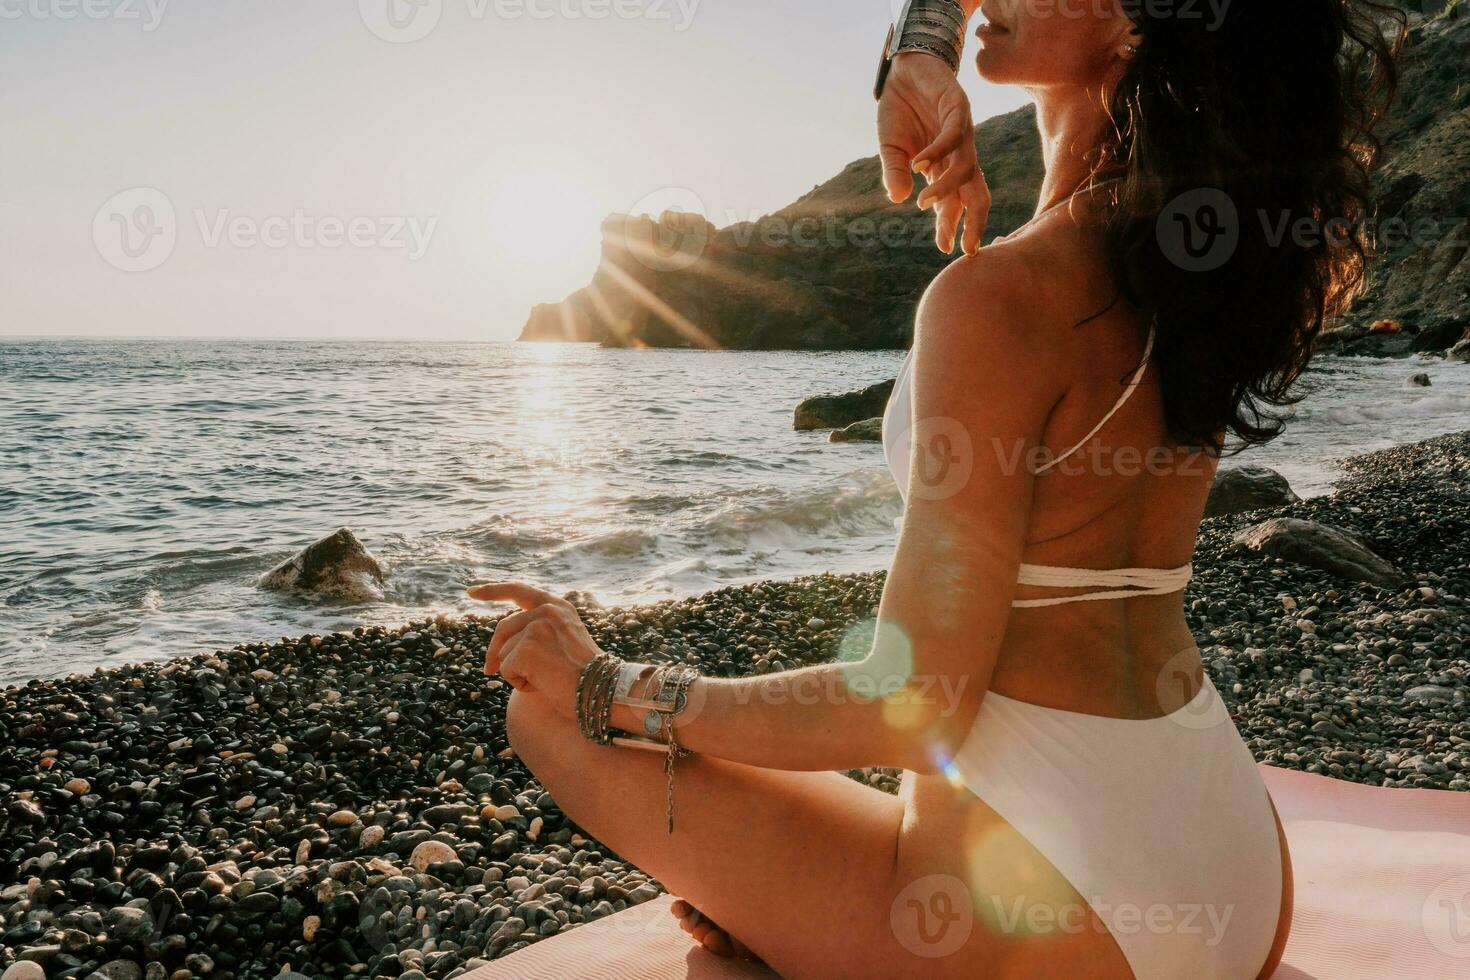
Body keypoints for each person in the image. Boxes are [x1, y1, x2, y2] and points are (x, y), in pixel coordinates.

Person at [467, 1, 1401, 976]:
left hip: (1066, 924)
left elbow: (914, 701)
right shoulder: (1195, 263)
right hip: (1236, 874)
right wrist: (921, 52)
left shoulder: (1003, 295)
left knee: (549, 712)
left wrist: (616, 685)